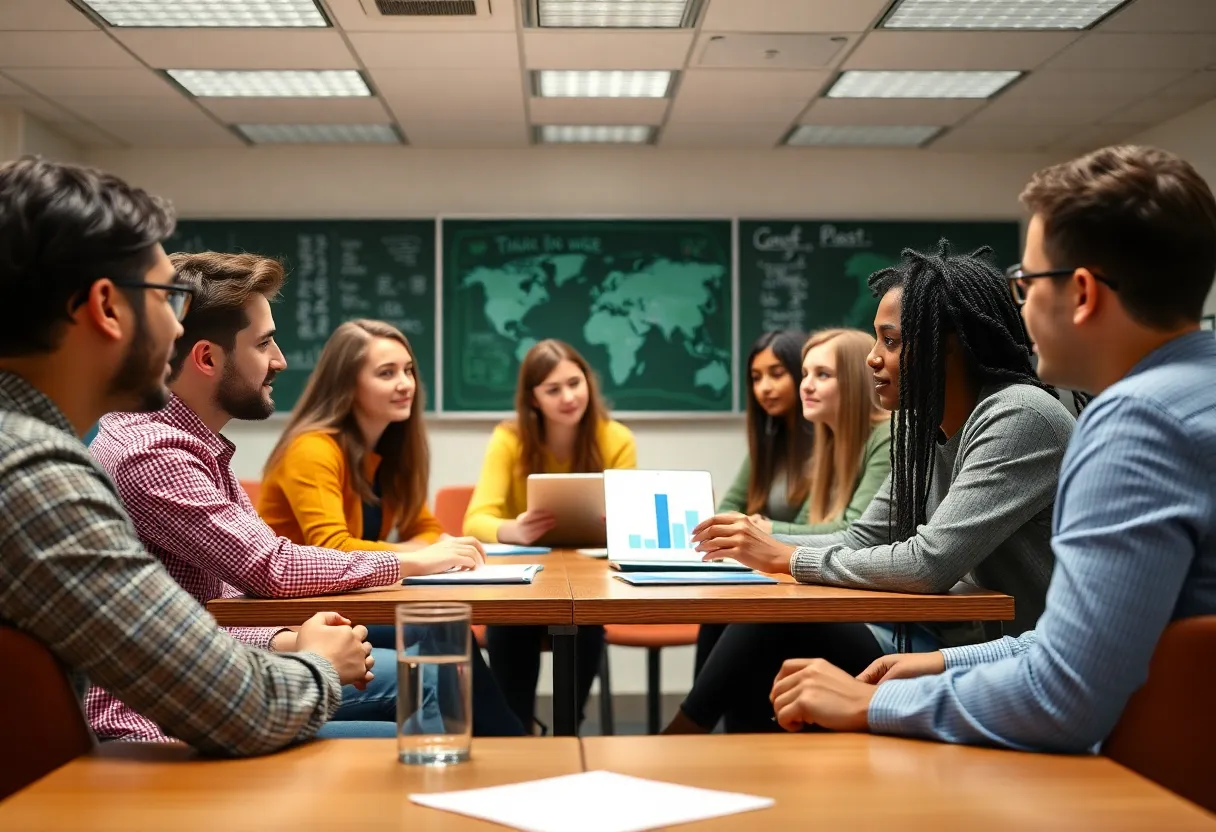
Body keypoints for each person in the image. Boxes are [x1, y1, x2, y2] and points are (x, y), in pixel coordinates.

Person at [768, 145, 1216, 753]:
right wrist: (950, 661)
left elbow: (1065, 696)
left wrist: (875, 702)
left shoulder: (1135, 426)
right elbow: (1086, 641)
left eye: (1027, 283)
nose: (1019, 305)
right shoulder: (1194, 394)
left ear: (1081, 293)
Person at [0, 157, 372, 755]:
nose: (178, 331)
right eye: (168, 299)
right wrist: (319, 666)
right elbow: (241, 709)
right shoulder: (32, 476)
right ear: (106, 307)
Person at [670, 239, 1076, 733]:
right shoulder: (918, 425)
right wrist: (759, 550)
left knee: (774, 617)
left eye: (890, 341)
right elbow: (866, 540)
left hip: (1019, 663)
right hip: (953, 645)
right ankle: (724, 761)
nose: (872, 359)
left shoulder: (1018, 415)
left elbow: (928, 563)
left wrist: (785, 556)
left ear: (947, 347)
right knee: (756, 610)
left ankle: (681, 738)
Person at [85, 251, 486, 741]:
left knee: (432, 670)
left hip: (209, 678)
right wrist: (408, 564)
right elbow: (271, 569)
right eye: (265, 343)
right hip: (162, 723)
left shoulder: (194, 444)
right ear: (207, 358)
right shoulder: (152, 452)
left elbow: (212, 605)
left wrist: (286, 639)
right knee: (429, 679)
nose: (281, 361)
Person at [260, 317, 524, 735]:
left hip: (349, 595)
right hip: (301, 612)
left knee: (442, 622)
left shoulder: (392, 451)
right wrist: (420, 556)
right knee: (438, 623)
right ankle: (509, 741)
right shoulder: (311, 449)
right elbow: (331, 547)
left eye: (408, 371)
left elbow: (427, 528)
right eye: (386, 373)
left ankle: (502, 741)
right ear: (347, 384)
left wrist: (423, 551)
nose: (405, 383)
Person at [464, 339, 636, 731]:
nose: (569, 397)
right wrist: (515, 529)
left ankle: (567, 728)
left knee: (586, 624)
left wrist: (622, 521)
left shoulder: (617, 438)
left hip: (590, 581)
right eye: (553, 389)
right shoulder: (509, 438)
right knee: (510, 625)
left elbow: (634, 522)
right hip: (524, 581)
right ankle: (515, 729)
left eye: (575, 383)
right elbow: (475, 520)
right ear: (533, 399)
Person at [694, 331, 815, 674]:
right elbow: (731, 504)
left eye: (777, 374)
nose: (764, 387)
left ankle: (690, 721)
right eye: (756, 378)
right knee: (715, 611)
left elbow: (809, 526)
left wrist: (760, 529)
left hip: (792, 576)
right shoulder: (768, 442)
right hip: (764, 574)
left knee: (734, 616)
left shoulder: (827, 441)